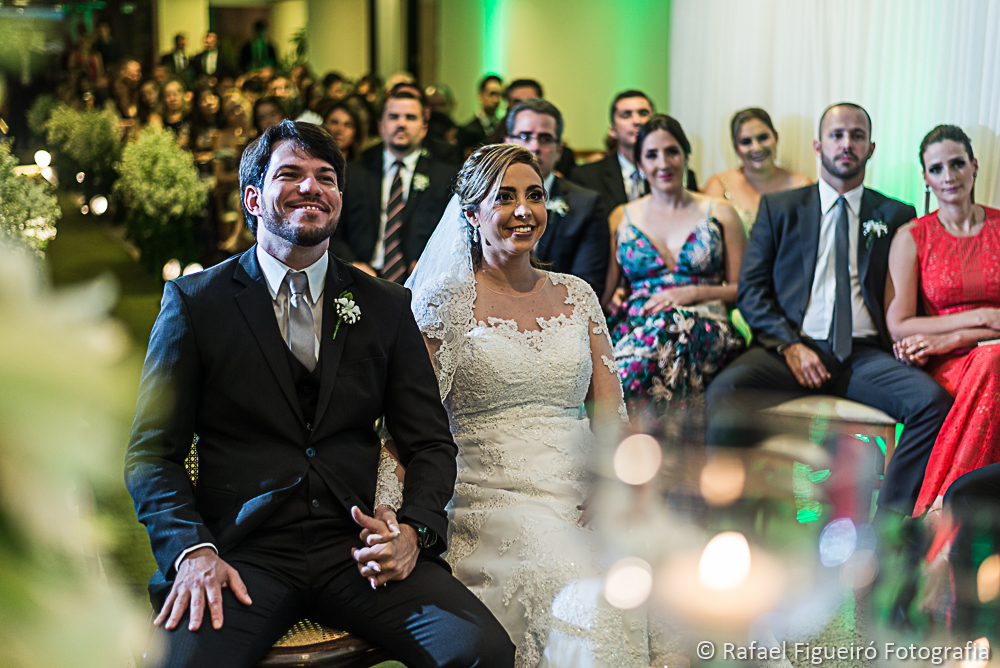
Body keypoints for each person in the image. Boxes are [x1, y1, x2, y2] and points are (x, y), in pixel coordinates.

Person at [124, 119, 515, 668]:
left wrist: (413, 531)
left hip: (356, 551)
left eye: (325, 177)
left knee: (482, 651)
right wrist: (192, 550)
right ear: (253, 198)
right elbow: (151, 455)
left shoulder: (384, 305)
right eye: (291, 173)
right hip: (243, 555)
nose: (311, 187)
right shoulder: (196, 304)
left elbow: (429, 442)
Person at [393, 142, 659, 667]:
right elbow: (409, 426)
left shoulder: (577, 294)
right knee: (587, 590)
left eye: (534, 196)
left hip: (583, 486)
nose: (524, 210)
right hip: (496, 496)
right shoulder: (442, 302)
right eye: (504, 197)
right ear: (470, 214)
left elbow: (611, 416)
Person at [705, 103, 953, 518]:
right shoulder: (779, 208)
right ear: (819, 146)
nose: (847, 144)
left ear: (870, 148)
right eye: (837, 135)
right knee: (725, 393)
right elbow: (751, 293)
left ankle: (888, 529)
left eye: (857, 136)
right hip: (789, 351)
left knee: (932, 403)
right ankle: (729, 520)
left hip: (862, 354)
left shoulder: (895, 215)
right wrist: (790, 346)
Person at [884, 124, 1000, 518]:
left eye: (957, 164)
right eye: (936, 169)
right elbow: (900, 324)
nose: (948, 176)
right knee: (991, 361)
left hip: (981, 354)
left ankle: (941, 510)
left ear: (974, 166)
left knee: (992, 360)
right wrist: (981, 319)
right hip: (949, 364)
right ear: (925, 177)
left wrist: (949, 336)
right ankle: (951, 512)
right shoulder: (913, 236)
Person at [605, 115, 746, 414]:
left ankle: (616, 408)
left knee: (675, 324)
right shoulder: (622, 217)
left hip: (705, 323)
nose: (663, 163)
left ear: (685, 155)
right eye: (651, 155)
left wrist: (691, 294)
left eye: (672, 151)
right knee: (663, 330)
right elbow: (606, 293)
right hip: (639, 325)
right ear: (640, 164)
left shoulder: (721, 213)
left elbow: (744, 288)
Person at [332, 90, 456, 283]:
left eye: (411, 117)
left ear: (424, 128)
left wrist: (433, 262)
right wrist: (351, 264)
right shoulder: (353, 174)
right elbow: (332, 232)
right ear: (381, 126)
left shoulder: (445, 177)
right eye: (393, 117)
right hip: (359, 278)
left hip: (420, 281)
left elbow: (454, 236)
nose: (401, 123)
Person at [505, 98, 609, 296]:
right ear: (508, 143)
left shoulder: (586, 205)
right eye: (525, 136)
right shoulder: (486, 202)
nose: (534, 147)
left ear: (559, 150)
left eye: (545, 139)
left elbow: (586, 286)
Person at [703, 108, 811, 232]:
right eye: (746, 142)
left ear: (776, 137)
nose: (757, 148)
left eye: (763, 138)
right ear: (736, 147)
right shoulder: (719, 186)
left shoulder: (802, 186)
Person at [572, 90, 654, 216]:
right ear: (613, 130)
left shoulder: (677, 175)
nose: (637, 121)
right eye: (626, 115)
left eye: (643, 113)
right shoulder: (586, 177)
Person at [457, 74, 503, 153]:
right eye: (492, 94)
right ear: (481, 96)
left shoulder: (502, 127)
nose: (496, 100)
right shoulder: (466, 130)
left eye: (499, 94)